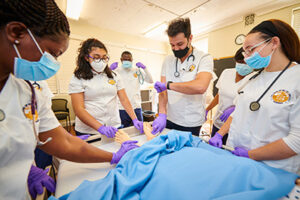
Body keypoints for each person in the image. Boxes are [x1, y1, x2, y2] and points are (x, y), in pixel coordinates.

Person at [0, 1, 138, 199]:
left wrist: (114, 156)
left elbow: (64, 141)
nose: (52, 64)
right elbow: (79, 110)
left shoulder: (28, 92)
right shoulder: (77, 78)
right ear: (16, 32)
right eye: (52, 54)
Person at [209, 19, 300, 174]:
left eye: (250, 49)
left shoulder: (296, 78)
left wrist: (251, 155)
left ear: (274, 43)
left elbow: (296, 141)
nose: (246, 57)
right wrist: (219, 133)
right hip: (236, 158)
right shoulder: (252, 79)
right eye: (245, 51)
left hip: (271, 168)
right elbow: (237, 113)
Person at [69, 39, 144, 140]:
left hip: (114, 126)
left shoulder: (114, 76)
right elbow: (79, 109)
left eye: (104, 57)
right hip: (89, 130)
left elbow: (124, 100)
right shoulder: (78, 78)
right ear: (87, 57)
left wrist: (135, 119)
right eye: (96, 57)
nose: (101, 61)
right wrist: (101, 128)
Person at [152, 18, 215, 136]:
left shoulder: (204, 58)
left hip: (191, 121)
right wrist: (161, 113)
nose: (176, 49)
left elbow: (200, 86)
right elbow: (162, 91)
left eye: (180, 44)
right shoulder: (168, 60)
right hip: (170, 118)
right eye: (172, 45)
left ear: (190, 38)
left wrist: (169, 85)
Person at [206, 48, 253, 145]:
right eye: (240, 62)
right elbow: (219, 95)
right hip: (218, 122)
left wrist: (236, 108)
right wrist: (207, 109)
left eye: (246, 63)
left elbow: (252, 104)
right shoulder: (227, 72)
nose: (243, 65)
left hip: (236, 127)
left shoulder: (255, 78)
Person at [109, 51, 153, 128]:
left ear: (132, 60)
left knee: (140, 130)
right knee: (124, 132)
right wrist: (109, 70)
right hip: (121, 108)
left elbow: (150, 81)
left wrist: (144, 68)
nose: (127, 61)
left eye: (129, 59)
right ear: (121, 59)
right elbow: (106, 84)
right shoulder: (116, 71)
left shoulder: (137, 70)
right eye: (125, 59)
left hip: (136, 107)